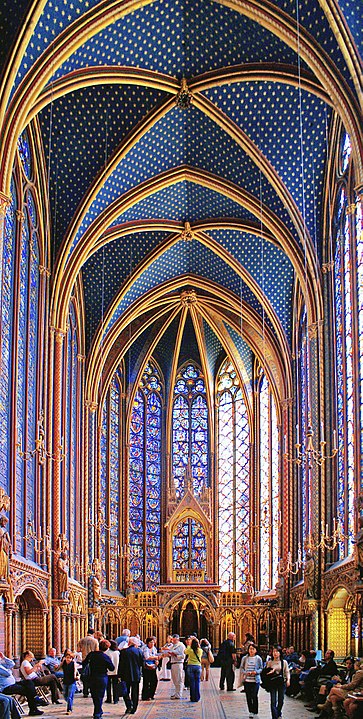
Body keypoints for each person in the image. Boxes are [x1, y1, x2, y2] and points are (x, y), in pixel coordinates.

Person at [0, 651, 43, 716]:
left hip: (14, 683)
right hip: (7, 687)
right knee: (28, 690)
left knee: (29, 682)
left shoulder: (1, 664)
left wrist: (4, 657)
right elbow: (7, 673)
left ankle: (35, 700)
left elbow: (12, 664)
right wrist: (9, 670)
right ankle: (34, 707)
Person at [84, 639, 114, 719]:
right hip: (102, 677)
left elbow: (84, 663)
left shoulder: (91, 654)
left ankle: (98, 710)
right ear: (107, 648)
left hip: (92, 677)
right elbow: (112, 668)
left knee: (94, 695)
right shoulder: (105, 657)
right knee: (100, 695)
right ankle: (97, 713)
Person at [118, 636, 144, 715]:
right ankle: (134, 708)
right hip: (136, 674)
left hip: (125, 675)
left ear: (129, 643)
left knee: (125, 691)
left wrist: (119, 675)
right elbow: (141, 663)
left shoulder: (123, 652)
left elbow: (121, 665)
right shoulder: (139, 651)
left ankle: (129, 706)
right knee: (135, 692)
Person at [266, 644, 290, 719]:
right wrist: (270, 672)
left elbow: (287, 672)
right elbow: (266, 673)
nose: (275, 653)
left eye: (277, 651)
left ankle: (278, 712)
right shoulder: (270, 662)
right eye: (274, 651)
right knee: (273, 701)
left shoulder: (284, 662)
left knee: (281, 700)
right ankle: (275, 716)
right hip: (272, 683)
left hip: (281, 682)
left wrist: (288, 680)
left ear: (280, 653)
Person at [239, 643, 263, 719]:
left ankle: (255, 711)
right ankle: (251, 711)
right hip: (247, 680)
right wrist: (246, 673)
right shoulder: (245, 658)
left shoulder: (258, 658)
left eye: (253, 649)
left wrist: (256, 672)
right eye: (250, 649)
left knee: (254, 695)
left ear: (256, 650)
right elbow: (241, 668)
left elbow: (261, 668)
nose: (251, 650)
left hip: (255, 680)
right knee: (248, 696)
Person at [77, 629, 99, 697]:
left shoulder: (82, 640)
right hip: (92, 660)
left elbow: (78, 650)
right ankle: (92, 691)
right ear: (93, 633)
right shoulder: (95, 641)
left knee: (85, 675)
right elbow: (97, 651)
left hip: (84, 659)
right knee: (92, 676)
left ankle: (85, 691)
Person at [184, 637, 202, 703]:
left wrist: (189, 644)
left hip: (190, 666)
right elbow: (199, 647)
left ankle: (192, 697)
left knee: (192, 682)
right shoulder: (200, 650)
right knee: (197, 682)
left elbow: (185, 651)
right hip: (198, 666)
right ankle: (197, 697)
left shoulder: (190, 650)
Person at [59, 650, 78, 715]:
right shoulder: (64, 663)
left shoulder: (73, 664)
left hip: (72, 681)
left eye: (70, 658)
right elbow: (58, 668)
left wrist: (75, 676)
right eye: (67, 658)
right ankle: (69, 703)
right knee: (65, 695)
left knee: (70, 696)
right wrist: (62, 662)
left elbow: (75, 671)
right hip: (65, 681)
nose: (68, 659)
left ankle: (69, 709)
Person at [168, 634, 185, 700]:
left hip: (178, 663)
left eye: (175, 640)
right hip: (173, 663)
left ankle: (179, 694)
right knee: (175, 679)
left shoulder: (181, 646)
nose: (173, 641)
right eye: (173, 640)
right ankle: (176, 692)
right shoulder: (173, 646)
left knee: (179, 679)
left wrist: (174, 654)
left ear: (178, 639)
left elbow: (183, 656)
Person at [105, 640, 119, 704]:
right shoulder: (117, 652)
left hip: (108, 671)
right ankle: (116, 699)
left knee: (108, 686)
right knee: (115, 685)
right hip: (116, 671)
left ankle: (109, 698)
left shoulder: (107, 652)